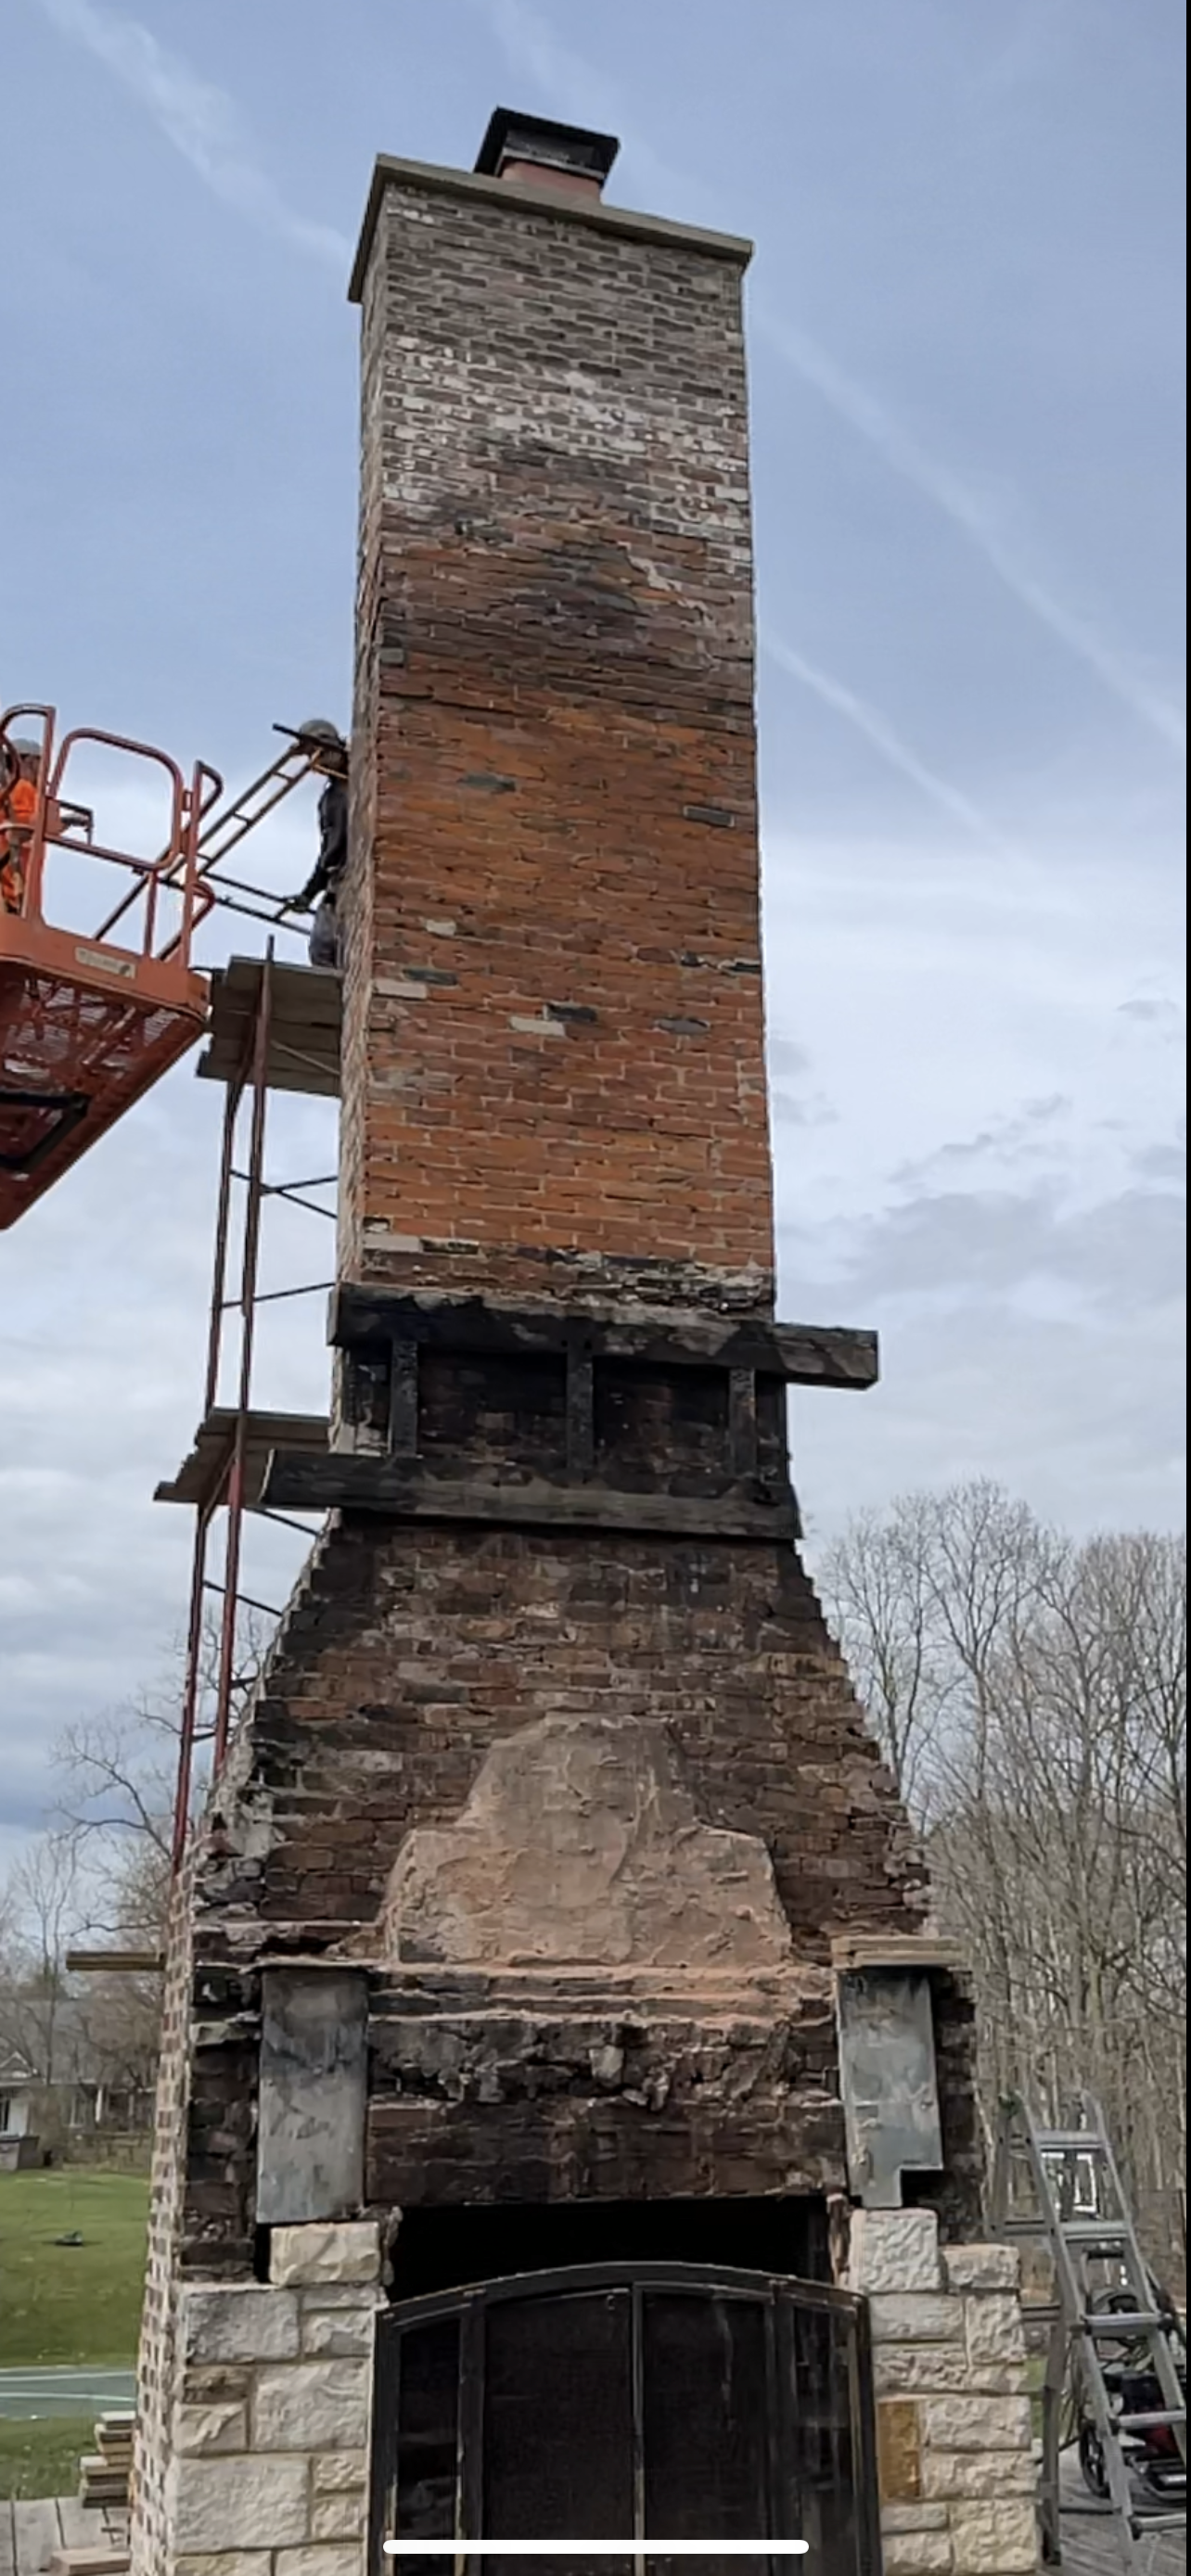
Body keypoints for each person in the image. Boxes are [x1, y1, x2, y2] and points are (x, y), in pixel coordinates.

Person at [283, 719, 349, 968]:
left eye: (315, 751)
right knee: (322, 951)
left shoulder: (365, 779)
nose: (315, 761)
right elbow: (328, 852)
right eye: (310, 755)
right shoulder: (329, 799)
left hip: (353, 877)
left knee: (339, 951)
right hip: (338, 881)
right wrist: (308, 894)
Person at [0, 738, 42, 916]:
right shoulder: (22, 788)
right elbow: (24, 826)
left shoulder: (6, 792)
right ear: (29, 762)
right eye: (41, 766)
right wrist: (61, 822)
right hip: (13, 897)